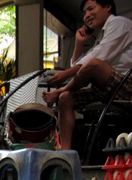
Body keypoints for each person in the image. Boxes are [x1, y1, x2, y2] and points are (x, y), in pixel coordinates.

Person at [41, 0, 132, 150]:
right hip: (104, 88)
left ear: (108, 6)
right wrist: (79, 43)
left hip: (126, 85)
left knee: (95, 64)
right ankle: (66, 153)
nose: (87, 15)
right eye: (84, 13)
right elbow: (79, 66)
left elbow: (100, 56)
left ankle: (61, 90)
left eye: (91, 9)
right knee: (65, 99)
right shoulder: (101, 35)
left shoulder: (119, 23)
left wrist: (65, 75)